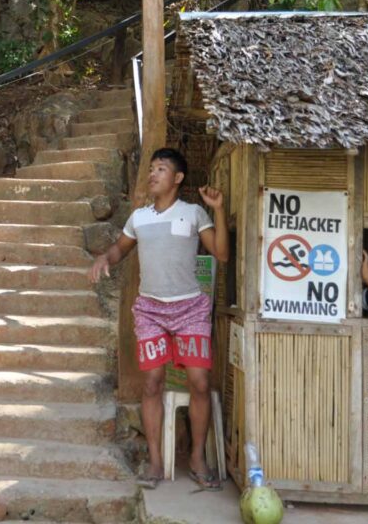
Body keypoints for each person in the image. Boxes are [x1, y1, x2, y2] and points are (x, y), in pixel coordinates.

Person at [89, 147, 229, 490]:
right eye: (151, 168)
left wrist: (218, 210)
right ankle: (154, 461)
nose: (152, 174)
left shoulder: (194, 213)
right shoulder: (139, 218)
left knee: (199, 382)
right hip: (150, 310)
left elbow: (222, 253)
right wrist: (105, 257)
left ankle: (196, 458)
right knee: (152, 382)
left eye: (161, 169)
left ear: (177, 178)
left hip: (190, 309)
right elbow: (120, 248)